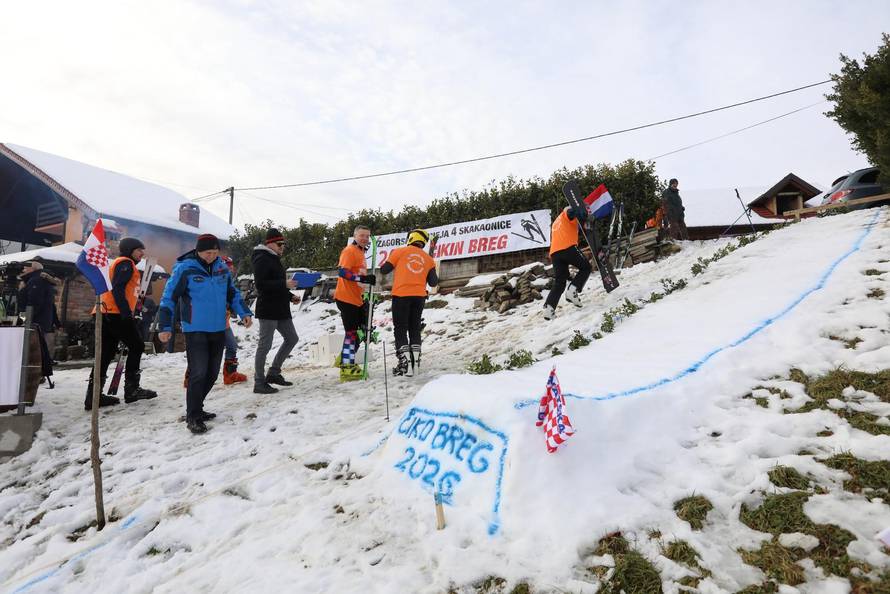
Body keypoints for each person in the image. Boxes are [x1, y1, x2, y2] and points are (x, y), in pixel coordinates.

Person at [158, 234, 253, 434]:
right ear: (198, 251)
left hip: (218, 328)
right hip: (195, 329)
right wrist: (165, 326)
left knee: (211, 373)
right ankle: (193, 416)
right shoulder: (185, 269)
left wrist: (244, 312)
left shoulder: (222, 269)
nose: (211, 256)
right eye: (208, 252)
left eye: (215, 252)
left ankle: (197, 407)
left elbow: (232, 293)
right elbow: (168, 298)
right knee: (198, 372)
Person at [85, 237, 158, 410]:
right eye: (139, 250)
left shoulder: (117, 263)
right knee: (137, 346)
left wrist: (134, 300)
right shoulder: (126, 263)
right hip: (115, 313)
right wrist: (126, 312)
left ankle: (93, 396)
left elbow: (120, 288)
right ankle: (132, 390)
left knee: (106, 353)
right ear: (130, 250)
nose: (142, 253)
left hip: (104, 312)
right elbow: (117, 288)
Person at [379, 229, 437, 377]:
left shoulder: (399, 251)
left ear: (410, 238)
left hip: (401, 295)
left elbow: (384, 270)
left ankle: (404, 364)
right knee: (414, 328)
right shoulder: (428, 259)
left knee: (400, 329)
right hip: (419, 297)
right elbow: (433, 282)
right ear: (423, 242)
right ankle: (415, 363)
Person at [251, 228, 299, 394]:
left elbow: (277, 283)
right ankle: (259, 382)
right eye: (279, 244)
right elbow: (261, 285)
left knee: (292, 338)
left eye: (283, 244)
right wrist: (284, 285)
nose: (282, 247)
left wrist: (290, 296)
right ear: (269, 243)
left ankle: (273, 373)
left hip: (280, 308)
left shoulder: (274, 258)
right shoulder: (261, 258)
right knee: (264, 345)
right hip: (268, 309)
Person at [334, 225, 376, 382]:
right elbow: (342, 272)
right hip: (346, 298)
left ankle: (345, 357)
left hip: (357, 298)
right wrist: (363, 279)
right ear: (355, 236)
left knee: (361, 332)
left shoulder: (361, 252)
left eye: (367, 236)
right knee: (352, 332)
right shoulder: (349, 251)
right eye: (361, 235)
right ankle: (346, 368)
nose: (364, 238)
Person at [542, 205, 592, 320]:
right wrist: (585, 214)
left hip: (555, 253)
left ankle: (549, 309)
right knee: (586, 267)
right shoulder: (566, 213)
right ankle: (573, 290)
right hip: (567, 247)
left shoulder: (556, 222)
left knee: (560, 282)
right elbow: (571, 212)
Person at [17, 261, 61, 354]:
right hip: (42, 323)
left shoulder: (36, 280)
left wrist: (24, 320)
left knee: (33, 351)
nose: (23, 269)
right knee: (40, 350)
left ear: (33, 269)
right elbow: (50, 305)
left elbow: (33, 303)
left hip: (35, 323)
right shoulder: (43, 281)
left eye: (26, 267)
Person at [221, 256, 247, 385]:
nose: (231, 268)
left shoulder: (229, 282)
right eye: (228, 265)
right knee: (205, 351)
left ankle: (230, 375)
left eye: (231, 265)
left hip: (224, 322)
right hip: (209, 323)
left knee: (231, 346)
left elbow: (235, 298)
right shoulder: (215, 281)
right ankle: (191, 377)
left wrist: (243, 313)